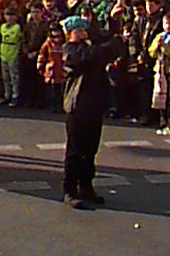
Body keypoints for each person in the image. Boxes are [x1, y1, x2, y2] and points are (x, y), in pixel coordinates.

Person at [61, 16, 125, 210]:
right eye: (77, 30)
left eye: (84, 30)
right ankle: (70, 190)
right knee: (75, 150)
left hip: (94, 105)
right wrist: (113, 43)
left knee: (90, 150)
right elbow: (91, 56)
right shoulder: (70, 50)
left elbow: (108, 47)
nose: (82, 33)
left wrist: (114, 23)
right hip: (77, 105)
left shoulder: (92, 46)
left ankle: (86, 186)